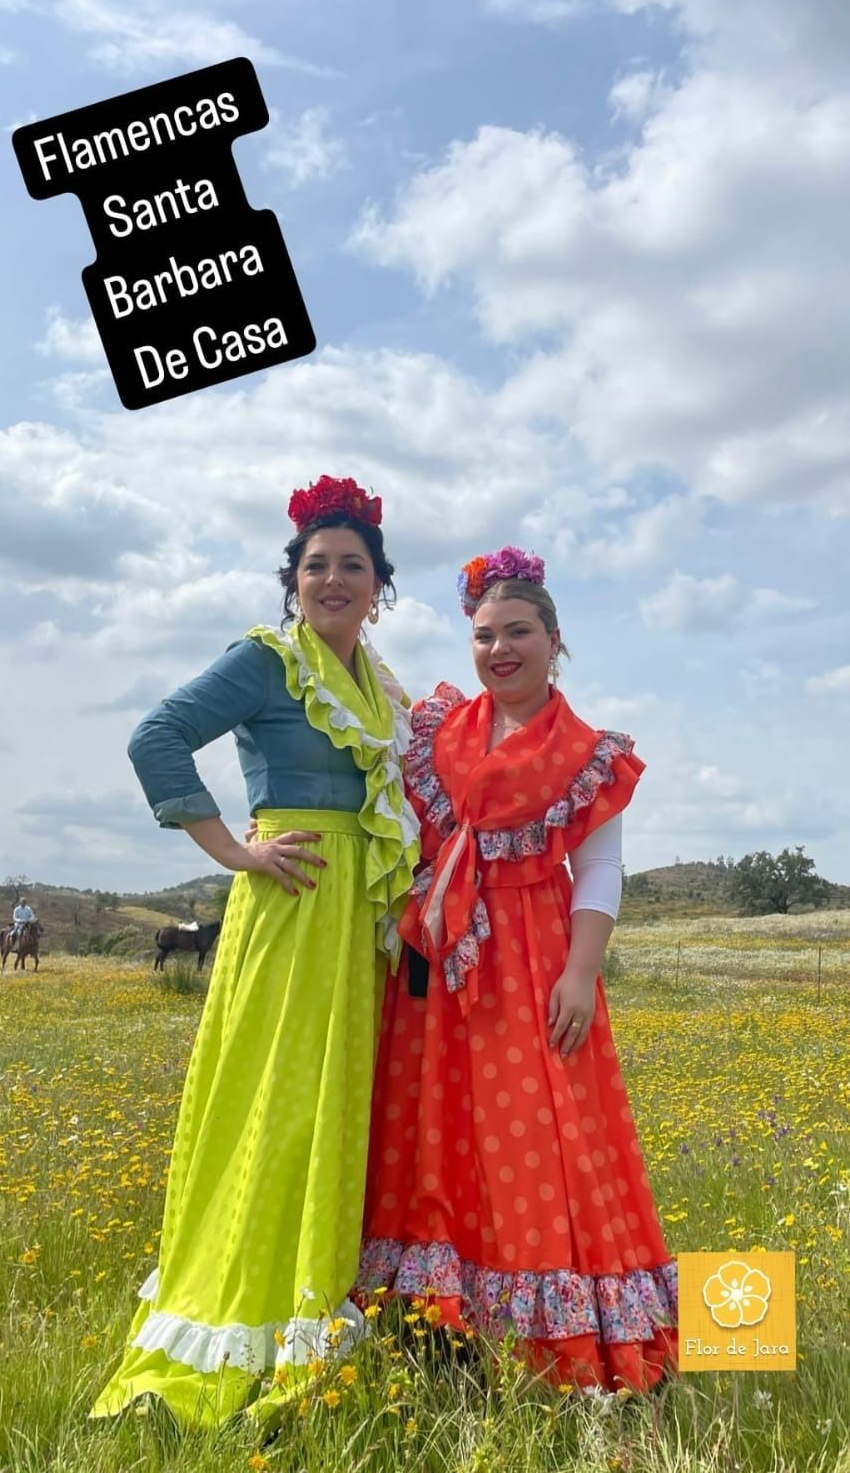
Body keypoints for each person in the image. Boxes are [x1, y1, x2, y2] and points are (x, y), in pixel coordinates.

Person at [91, 475, 419, 1429]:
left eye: (351, 565)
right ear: (292, 580)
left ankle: (319, 1285)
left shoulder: (377, 681)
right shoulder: (267, 660)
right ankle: (248, 1302)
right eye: (315, 565)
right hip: (291, 904)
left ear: (377, 582)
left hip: (355, 920)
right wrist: (235, 849)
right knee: (276, 1099)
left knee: (335, 1103)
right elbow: (157, 735)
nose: (332, 579)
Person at [356, 547, 678, 1393]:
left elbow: (600, 869)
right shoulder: (440, 729)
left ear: (553, 638)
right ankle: (432, 1326)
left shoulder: (584, 751)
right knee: (432, 1130)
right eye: (483, 633)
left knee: (540, 1136)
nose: (499, 648)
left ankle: (555, 1337)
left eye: (517, 632)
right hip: (435, 970)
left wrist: (581, 971)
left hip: (533, 957)